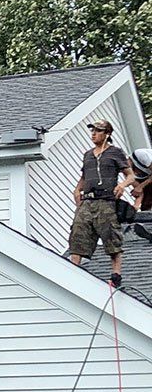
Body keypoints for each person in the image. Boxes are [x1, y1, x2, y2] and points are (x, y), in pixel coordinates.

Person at [68, 120, 134, 287]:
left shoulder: (115, 153)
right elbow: (84, 177)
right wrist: (77, 190)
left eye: (98, 131)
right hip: (87, 201)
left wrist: (122, 185)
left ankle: (116, 275)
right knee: (77, 233)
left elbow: (130, 175)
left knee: (111, 235)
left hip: (105, 201)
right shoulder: (88, 155)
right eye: (93, 131)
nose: (94, 134)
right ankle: (73, 271)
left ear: (107, 134)